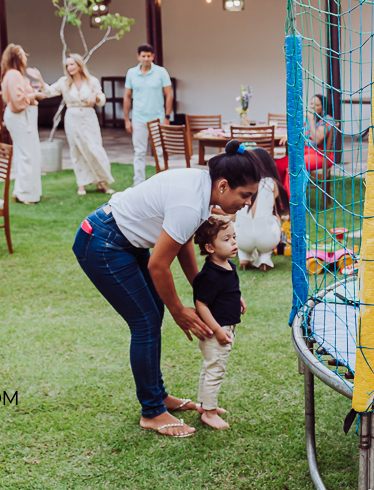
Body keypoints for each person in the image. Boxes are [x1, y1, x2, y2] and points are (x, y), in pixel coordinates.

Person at [72, 140, 261, 438]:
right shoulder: (191, 201)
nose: (247, 202)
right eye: (245, 195)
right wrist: (179, 311)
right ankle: (152, 413)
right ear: (223, 185)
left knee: (150, 316)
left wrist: (205, 292)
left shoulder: (201, 189)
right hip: (103, 244)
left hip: (120, 240)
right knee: (146, 321)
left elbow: (183, 240)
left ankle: (157, 397)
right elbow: (158, 265)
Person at [191, 216, 245, 430]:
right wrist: (217, 331)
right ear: (210, 247)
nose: (233, 242)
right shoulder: (209, 276)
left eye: (234, 237)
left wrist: (237, 298)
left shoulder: (227, 265)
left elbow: (228, 289)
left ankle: (205, 405)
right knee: (215, 370)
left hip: (224, 328)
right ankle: (210, 413)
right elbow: (201, 304)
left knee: (210, 367)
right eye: (226, 239)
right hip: (216, 331)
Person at [47, 54, 115, 196]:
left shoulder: (91, 81)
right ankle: (81, 183)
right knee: (77, 149)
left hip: (89, 117)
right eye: (67, 65)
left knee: (94, 147)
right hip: (72, 118)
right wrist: (40, 81)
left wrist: (95, 97)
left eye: (72, 64)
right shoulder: (64, 82)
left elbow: (102, 99)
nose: (69, 68)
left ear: (79, 65)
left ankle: (102, 182)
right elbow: (49, 92)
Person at [0, 44, 54, 205]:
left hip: (18, 117)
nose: (25, 58)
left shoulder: (9, 74)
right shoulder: (14, 75)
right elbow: (17, 101)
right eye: (23, 55)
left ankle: (21, 190)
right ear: (17, 58)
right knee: (29, 155)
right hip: (21, 118)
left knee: (23, 154)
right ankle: (26, 194)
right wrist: (35, 95)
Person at [123, 44, 173, 186]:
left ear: (153, 56)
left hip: (157, 118)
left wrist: (167, 117)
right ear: (138, 56)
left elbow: (168, 95)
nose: (146, 58)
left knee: (159, 151)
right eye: (143, 56)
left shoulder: (161, 72)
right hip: (138, 118)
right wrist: (127, 119)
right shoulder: (131, 73)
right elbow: (127, 97)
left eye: (149, 56)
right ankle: (138, 183)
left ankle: (163, 181)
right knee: (139, 152)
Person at [236, 146, 287, 270]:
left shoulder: (240, 182)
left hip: (240, 240)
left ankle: (244, 257)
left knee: (238, 220)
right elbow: (276, 209)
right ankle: (265, 258)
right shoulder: (271, 184)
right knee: (275, 219)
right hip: (267, 239)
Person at [274, 93, 335, 192]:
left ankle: (290, 202)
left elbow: (317, 140)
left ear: (323, 108)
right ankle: (279, 197)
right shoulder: (306, 118)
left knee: (293, 167)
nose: (312, 106)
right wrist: (288, 135)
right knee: (277, 165)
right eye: (311, 103)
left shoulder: (327, 119)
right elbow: (296, 131)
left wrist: (311, 120)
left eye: (317, 105)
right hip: (304, 152)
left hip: (322, 154)